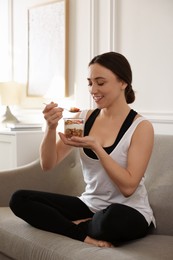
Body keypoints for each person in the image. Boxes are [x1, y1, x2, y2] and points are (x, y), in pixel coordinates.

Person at [9, 52, 155, 247]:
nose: (93, 89)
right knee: (20, 199)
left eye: (100, 83)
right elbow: (47, 163)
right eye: (90, 82)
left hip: (128, 210)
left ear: (123, 83)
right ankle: (82, 233)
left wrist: (96, 147)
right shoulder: (83, 118)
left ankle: (77, 226)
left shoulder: (141, 127)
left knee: (113, 219)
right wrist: (51, 128)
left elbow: (128, 188)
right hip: (90, 205)